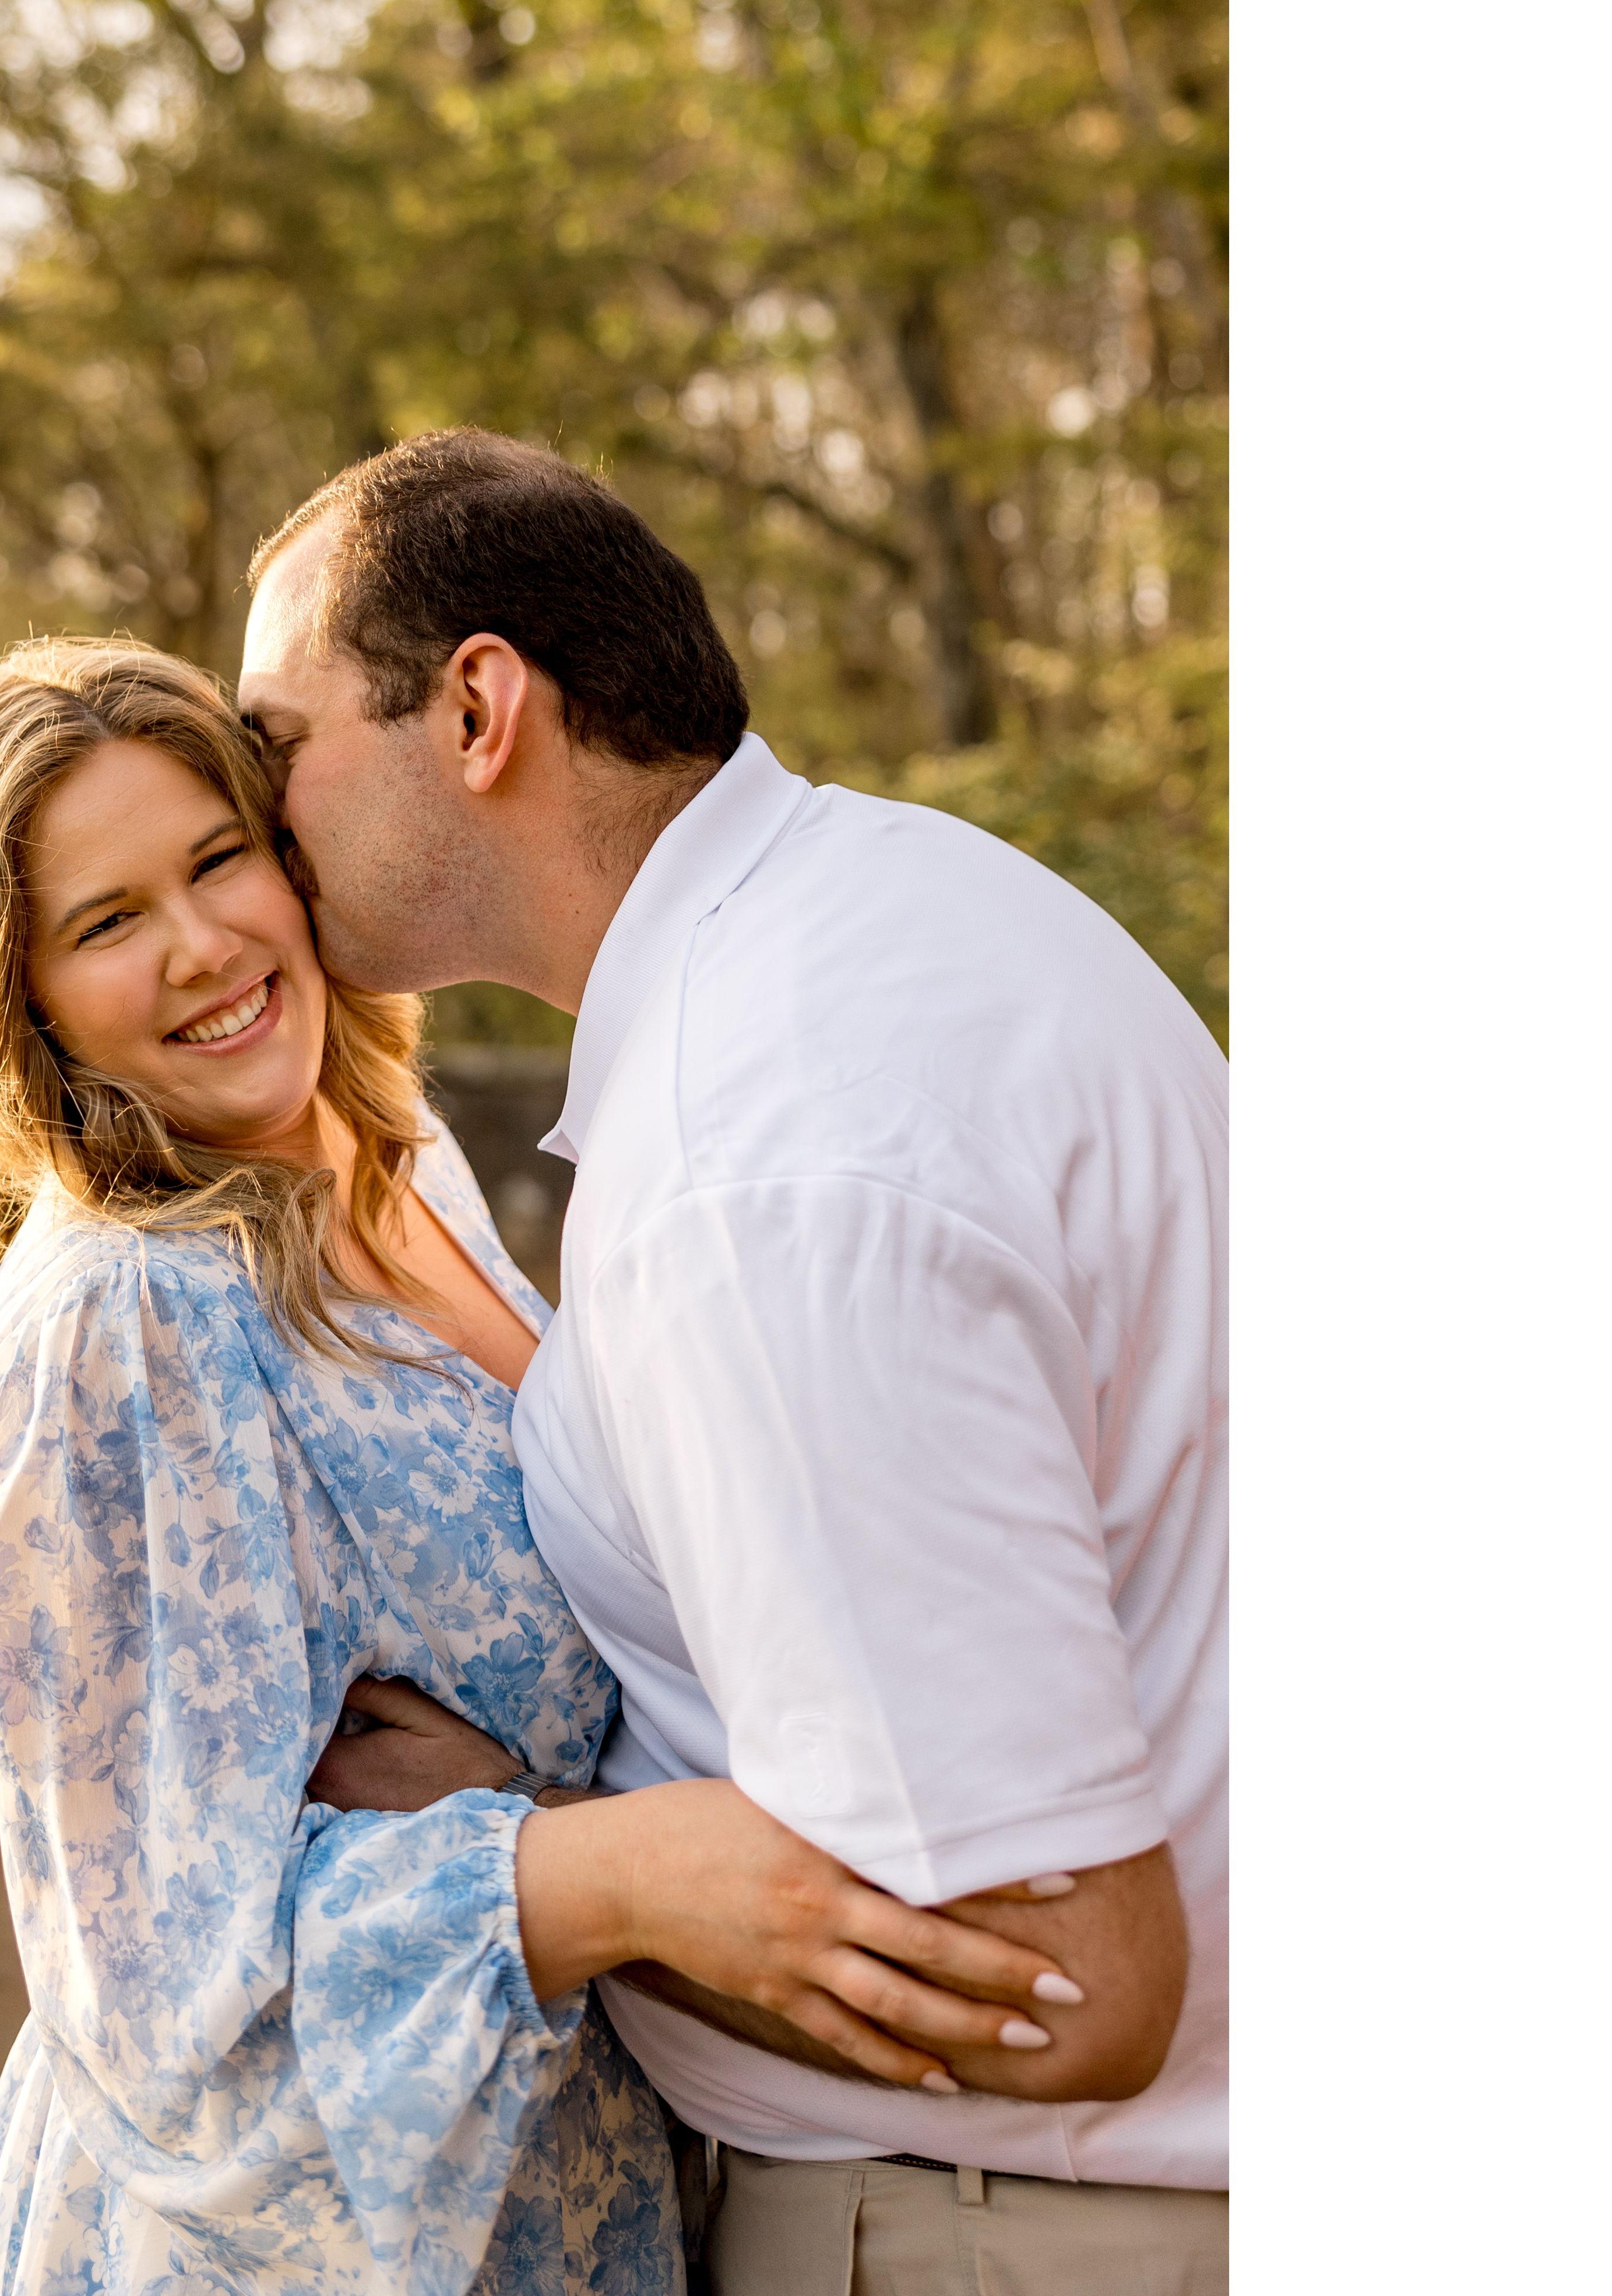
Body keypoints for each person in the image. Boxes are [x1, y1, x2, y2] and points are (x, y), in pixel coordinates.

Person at [0, 638, 1083, 2296]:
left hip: (573, 2188)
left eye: (220, 858)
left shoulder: (393, 1160)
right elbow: (161, 2005)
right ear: (20, 1003)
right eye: (106, 923)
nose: (200, 944)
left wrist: (542, 1811)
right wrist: (604, 1874)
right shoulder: (123, 1322)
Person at [236, 432, 1229, 2293]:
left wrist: (547, 1858)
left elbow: (1059, 1986)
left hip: (999, 2235)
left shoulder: (754, 1163)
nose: (250, 802)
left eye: (275, 737)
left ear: (476, 711)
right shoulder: (903, 901)